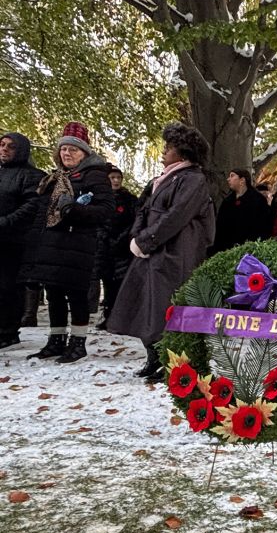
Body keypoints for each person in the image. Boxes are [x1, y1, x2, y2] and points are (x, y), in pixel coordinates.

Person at [108, 122, 215, 381]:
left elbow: (176, 216)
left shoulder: (193, 179)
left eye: (170, 147)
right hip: (153, 250)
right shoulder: (163, 178)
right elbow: (143, 209)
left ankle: (170, 361)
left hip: (175, 252)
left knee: (165, 308)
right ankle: (153, 357)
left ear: (184, 152)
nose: (163, 151)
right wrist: (137, 235)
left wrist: (146, 241)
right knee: (147, 305)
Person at [21, 122, 114, 363]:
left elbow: (105, 210)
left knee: (76, 295)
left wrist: (73, 210)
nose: (67, 153)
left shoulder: (95, 175)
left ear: (85, 152)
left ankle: (78, 343)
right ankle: (56, 340)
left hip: (77, 244)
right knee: (53, 293)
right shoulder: (57, 176)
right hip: (52, 245)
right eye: (64, 149)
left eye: (73, 149)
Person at [0, 132, 45, 349]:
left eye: (11, 146)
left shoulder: (32, 175)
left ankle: (8, 330)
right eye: (2, 145)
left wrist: (6, 221)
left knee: (8, 286)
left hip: (16, 241)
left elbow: (31, 206)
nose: (5, 149)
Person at [94, 164, 138, 330]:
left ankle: (122, 317)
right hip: (104, 248)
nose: (116, 181)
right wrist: (103, 237)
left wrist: (122, 238)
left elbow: (134, 222)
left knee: (122, 283)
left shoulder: (130, 199)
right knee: (108, 283)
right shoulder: (100, 199)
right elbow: (96, 220)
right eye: (112, 178)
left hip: (123, 248)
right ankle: (108, 315)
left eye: (118, 177)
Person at [209, 168, 271, 253]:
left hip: (249, 249)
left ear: (242, 180)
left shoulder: (258, 200)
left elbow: (264, 226)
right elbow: (220, 225)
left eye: (232, 176)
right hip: (227, 249)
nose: (228, 179)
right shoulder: (228, 201)